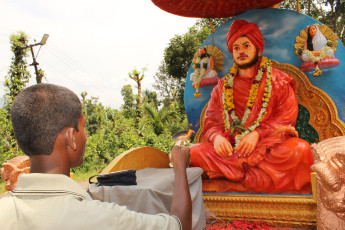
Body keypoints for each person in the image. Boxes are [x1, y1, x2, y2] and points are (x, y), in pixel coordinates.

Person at [0, 84, 192, 230]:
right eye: (83, 128)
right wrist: (180, 166)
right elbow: (179, 224)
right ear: (70, 137)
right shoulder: (104, 219)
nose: (85, 135)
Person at [190, 20, 314, 194]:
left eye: (246, 46)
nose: (241, 51)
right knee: (194, 153)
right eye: (236, 48)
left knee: (300, 150)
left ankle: (232, 181)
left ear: (258, 48)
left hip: (268, 147)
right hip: (232, 150)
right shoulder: (222, 87)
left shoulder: (279, 80)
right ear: (232, 53)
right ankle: (243, 180)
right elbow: (212, 122)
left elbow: (286, 118)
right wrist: (217, 137)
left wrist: (257, 134)